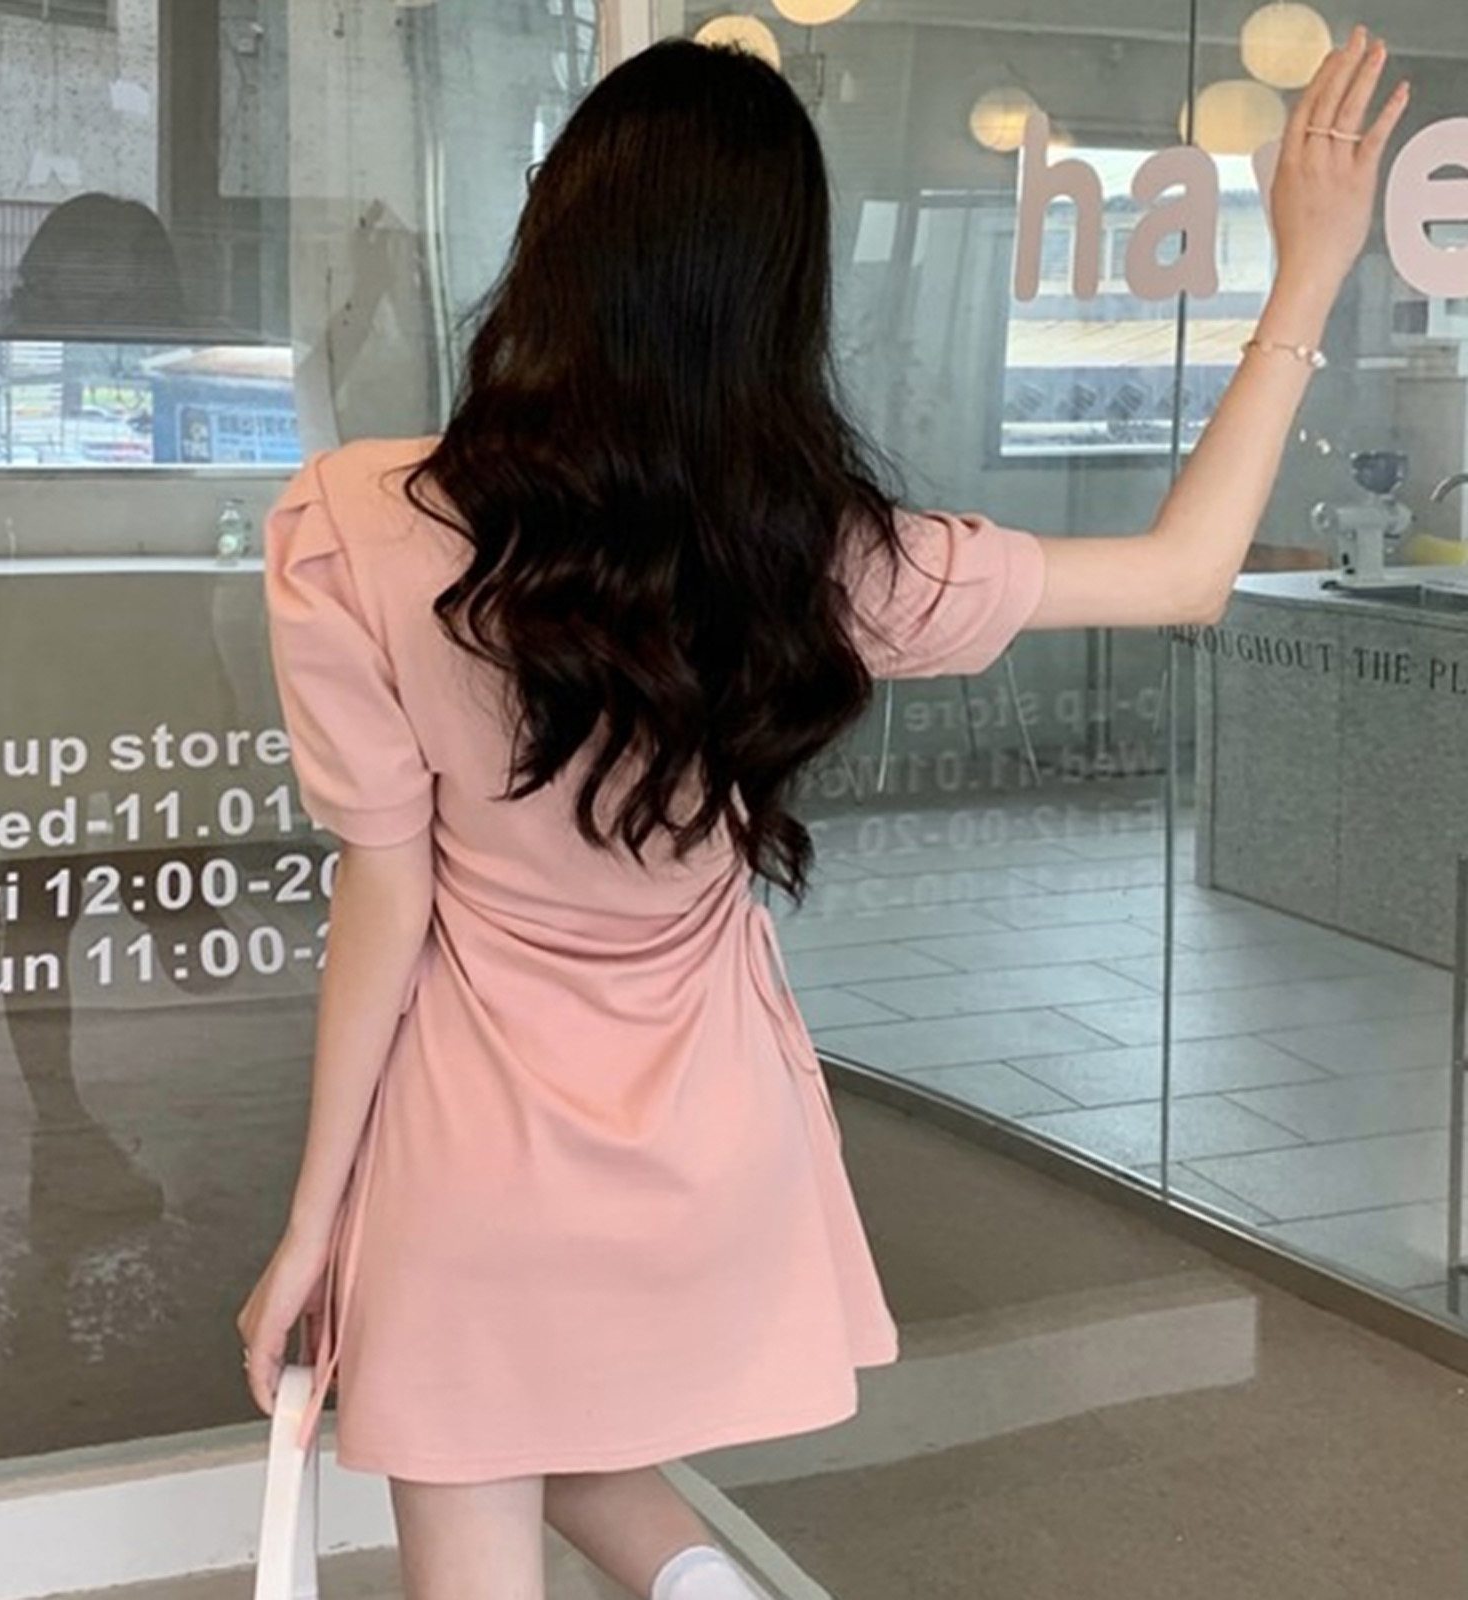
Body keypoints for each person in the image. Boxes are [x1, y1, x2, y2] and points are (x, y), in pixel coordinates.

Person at [237, 28, 1408, 1600]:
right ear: (781, 297)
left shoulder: (355, 527)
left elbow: (385, 901)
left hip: (470, 1155)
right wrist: (1307, 270)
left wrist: (314, 1220)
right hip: (711, 1147)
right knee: (570, 1430)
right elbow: (1185, 574)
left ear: (554, 242)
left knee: (480, 1445)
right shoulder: (819, 560)